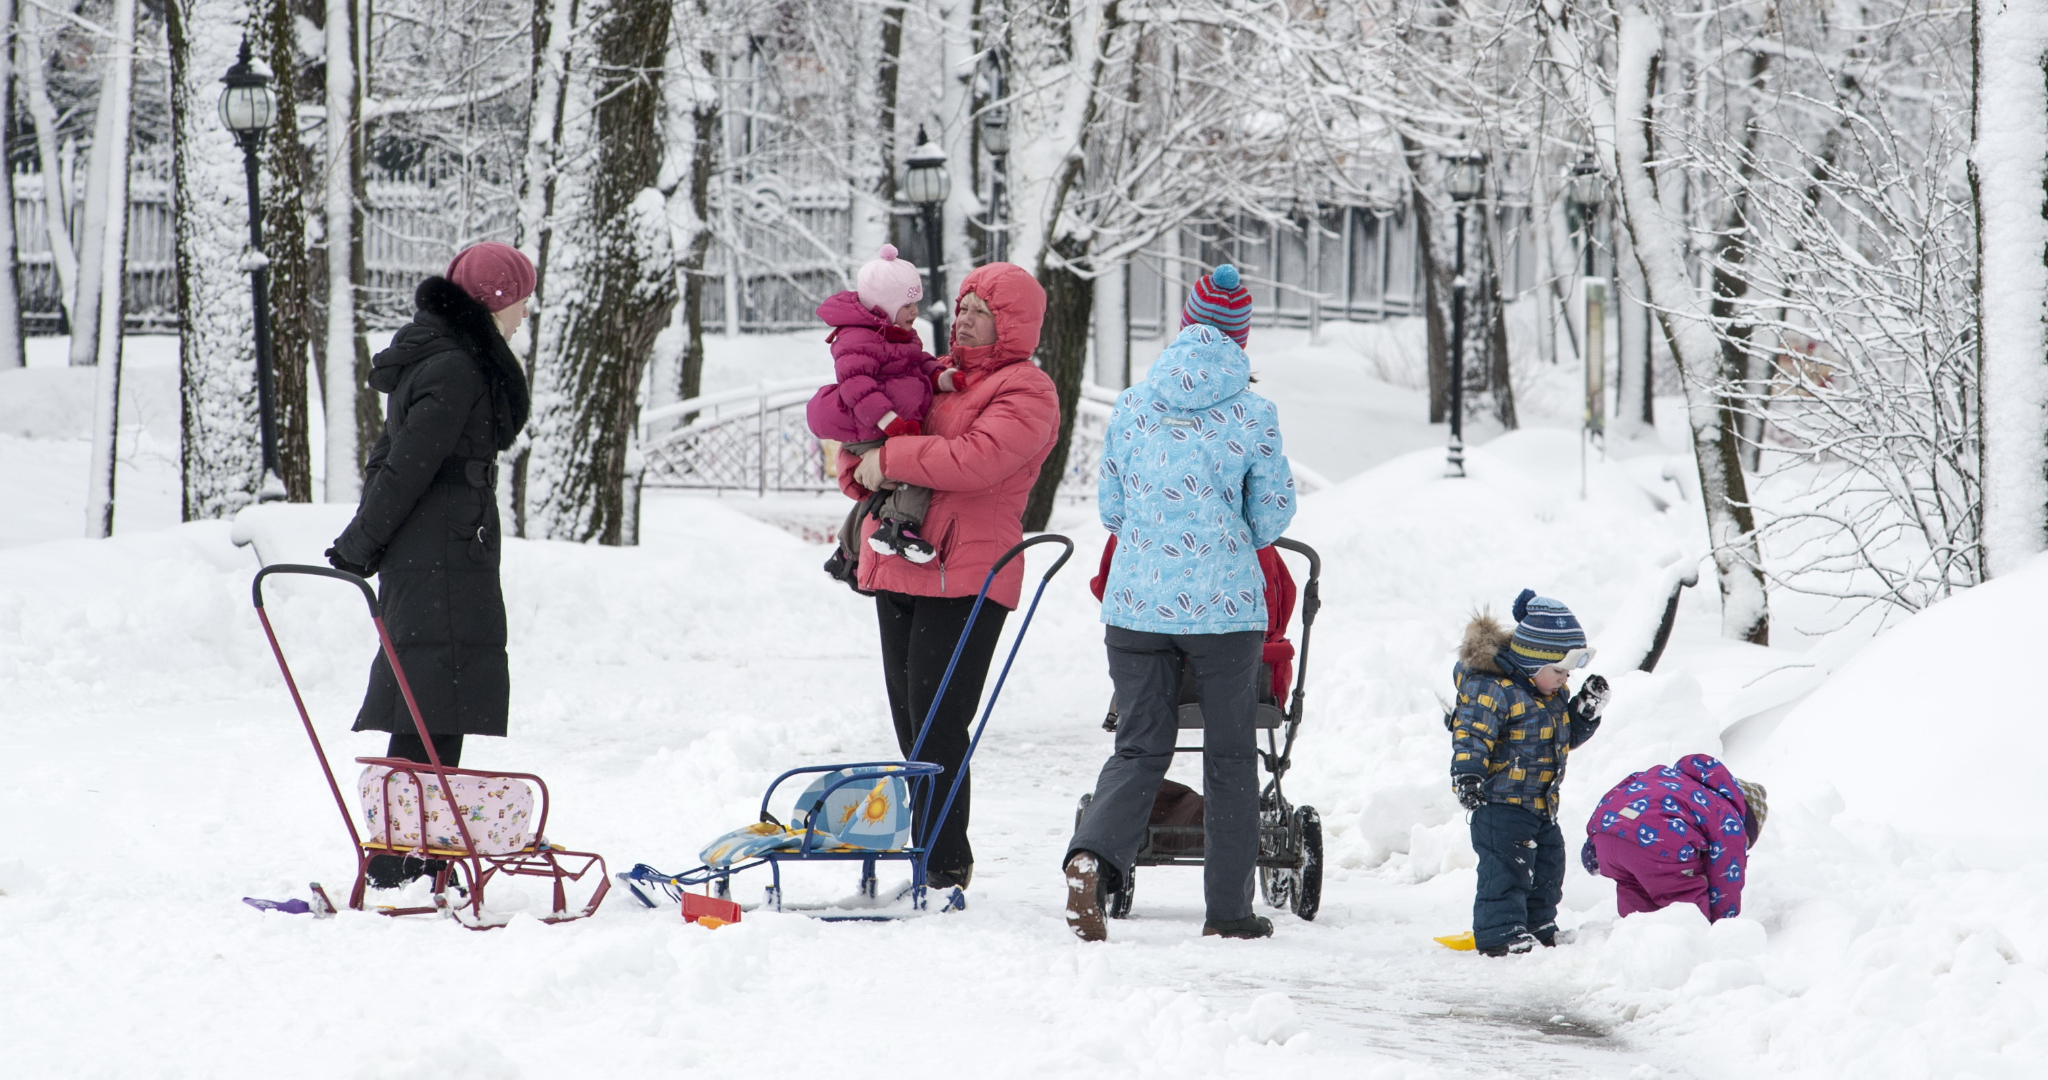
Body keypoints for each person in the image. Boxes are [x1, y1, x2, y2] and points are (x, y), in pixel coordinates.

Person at [1065, 303, 1296, 943]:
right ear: (1241, 342)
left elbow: (1113, 508)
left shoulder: (1134, 404)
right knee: (1229, 757)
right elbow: (1272, 518)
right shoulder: (1255, 414)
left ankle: (1091, 858)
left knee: (1139, 746)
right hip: (1225, 613)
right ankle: (1227, 911)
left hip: (1135, 607)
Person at [835, 262, 1057, 896]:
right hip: (903, 561)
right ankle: (923, 852)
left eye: (980, 311)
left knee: (939, 723)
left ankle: (942, 860)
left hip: (965, 577)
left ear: (1010, 325)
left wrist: (891, 457)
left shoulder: (1027, 391)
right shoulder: (934, 379)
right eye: (960, 307)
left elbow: (974, 460)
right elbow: (873, 438)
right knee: (911, 724)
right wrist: (861, 469)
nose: (962, 319)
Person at [325, 241, 533, 888]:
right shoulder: (456, 368)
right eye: (520, 301)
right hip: (439, 554)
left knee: (436, 702)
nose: (525, 314)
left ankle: (420, 852)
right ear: (492, 301)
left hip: (443, 548)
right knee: (429, 703)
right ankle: (400, 857)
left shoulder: (452, 360)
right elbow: (407, 464)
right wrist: (360, 544)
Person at [1448, 589, 1610, 956]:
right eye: (1558, 670)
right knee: (1507, 870)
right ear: (1532, 660)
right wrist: (1468, 777)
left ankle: (1539, 926)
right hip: (1500, 804)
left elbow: (1560, 739)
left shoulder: (1549, 696)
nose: (1564, 679)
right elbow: (1471, 735)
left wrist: (1584, 713)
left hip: (1539, 804)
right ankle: (1501, 933)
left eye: (1568, 672)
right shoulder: (1493, 691)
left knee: (1549, 866)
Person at [809, 245, 949, 565]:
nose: (915, 311)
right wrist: (889, 421)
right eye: (908, 304)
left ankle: (848, 553)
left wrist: (940, 376)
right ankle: (900, 527)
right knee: (915, 466)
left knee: (884, 488)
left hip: (885, 424)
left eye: (917, 303)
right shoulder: (858, 339)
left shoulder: (899, 334)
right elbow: (857, 385)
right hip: (871, 426)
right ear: (884, 305)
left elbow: (916, 364)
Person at [1582, 754, 1766, 923]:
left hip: (1607, 838)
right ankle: (1688, 945)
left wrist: (1592, 841)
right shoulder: (1728, 816)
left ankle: (1632, 941)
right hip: (1656, 846)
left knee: (1634, 894)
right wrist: (1721, 925)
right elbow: (1727, 875)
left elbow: (1618, 793)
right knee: (1685, 904)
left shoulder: (1662, 776)